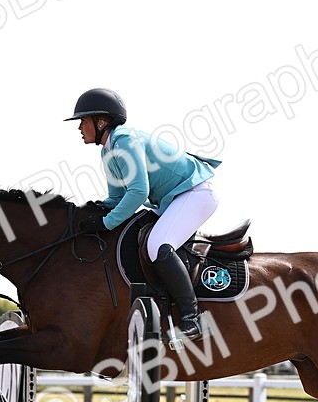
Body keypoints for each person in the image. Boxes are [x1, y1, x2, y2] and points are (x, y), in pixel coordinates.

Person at [66, 87, 219, 341]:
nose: (80, 128)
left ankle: (192, 318)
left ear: (101, 121)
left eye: (83, 121)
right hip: (175, 198)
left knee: (158, 245)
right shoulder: (108, 151)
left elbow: (138, 192)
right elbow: (116, 198)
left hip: (196, 192)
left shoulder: (125, 140)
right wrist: (89, 215)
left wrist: (106, 222)